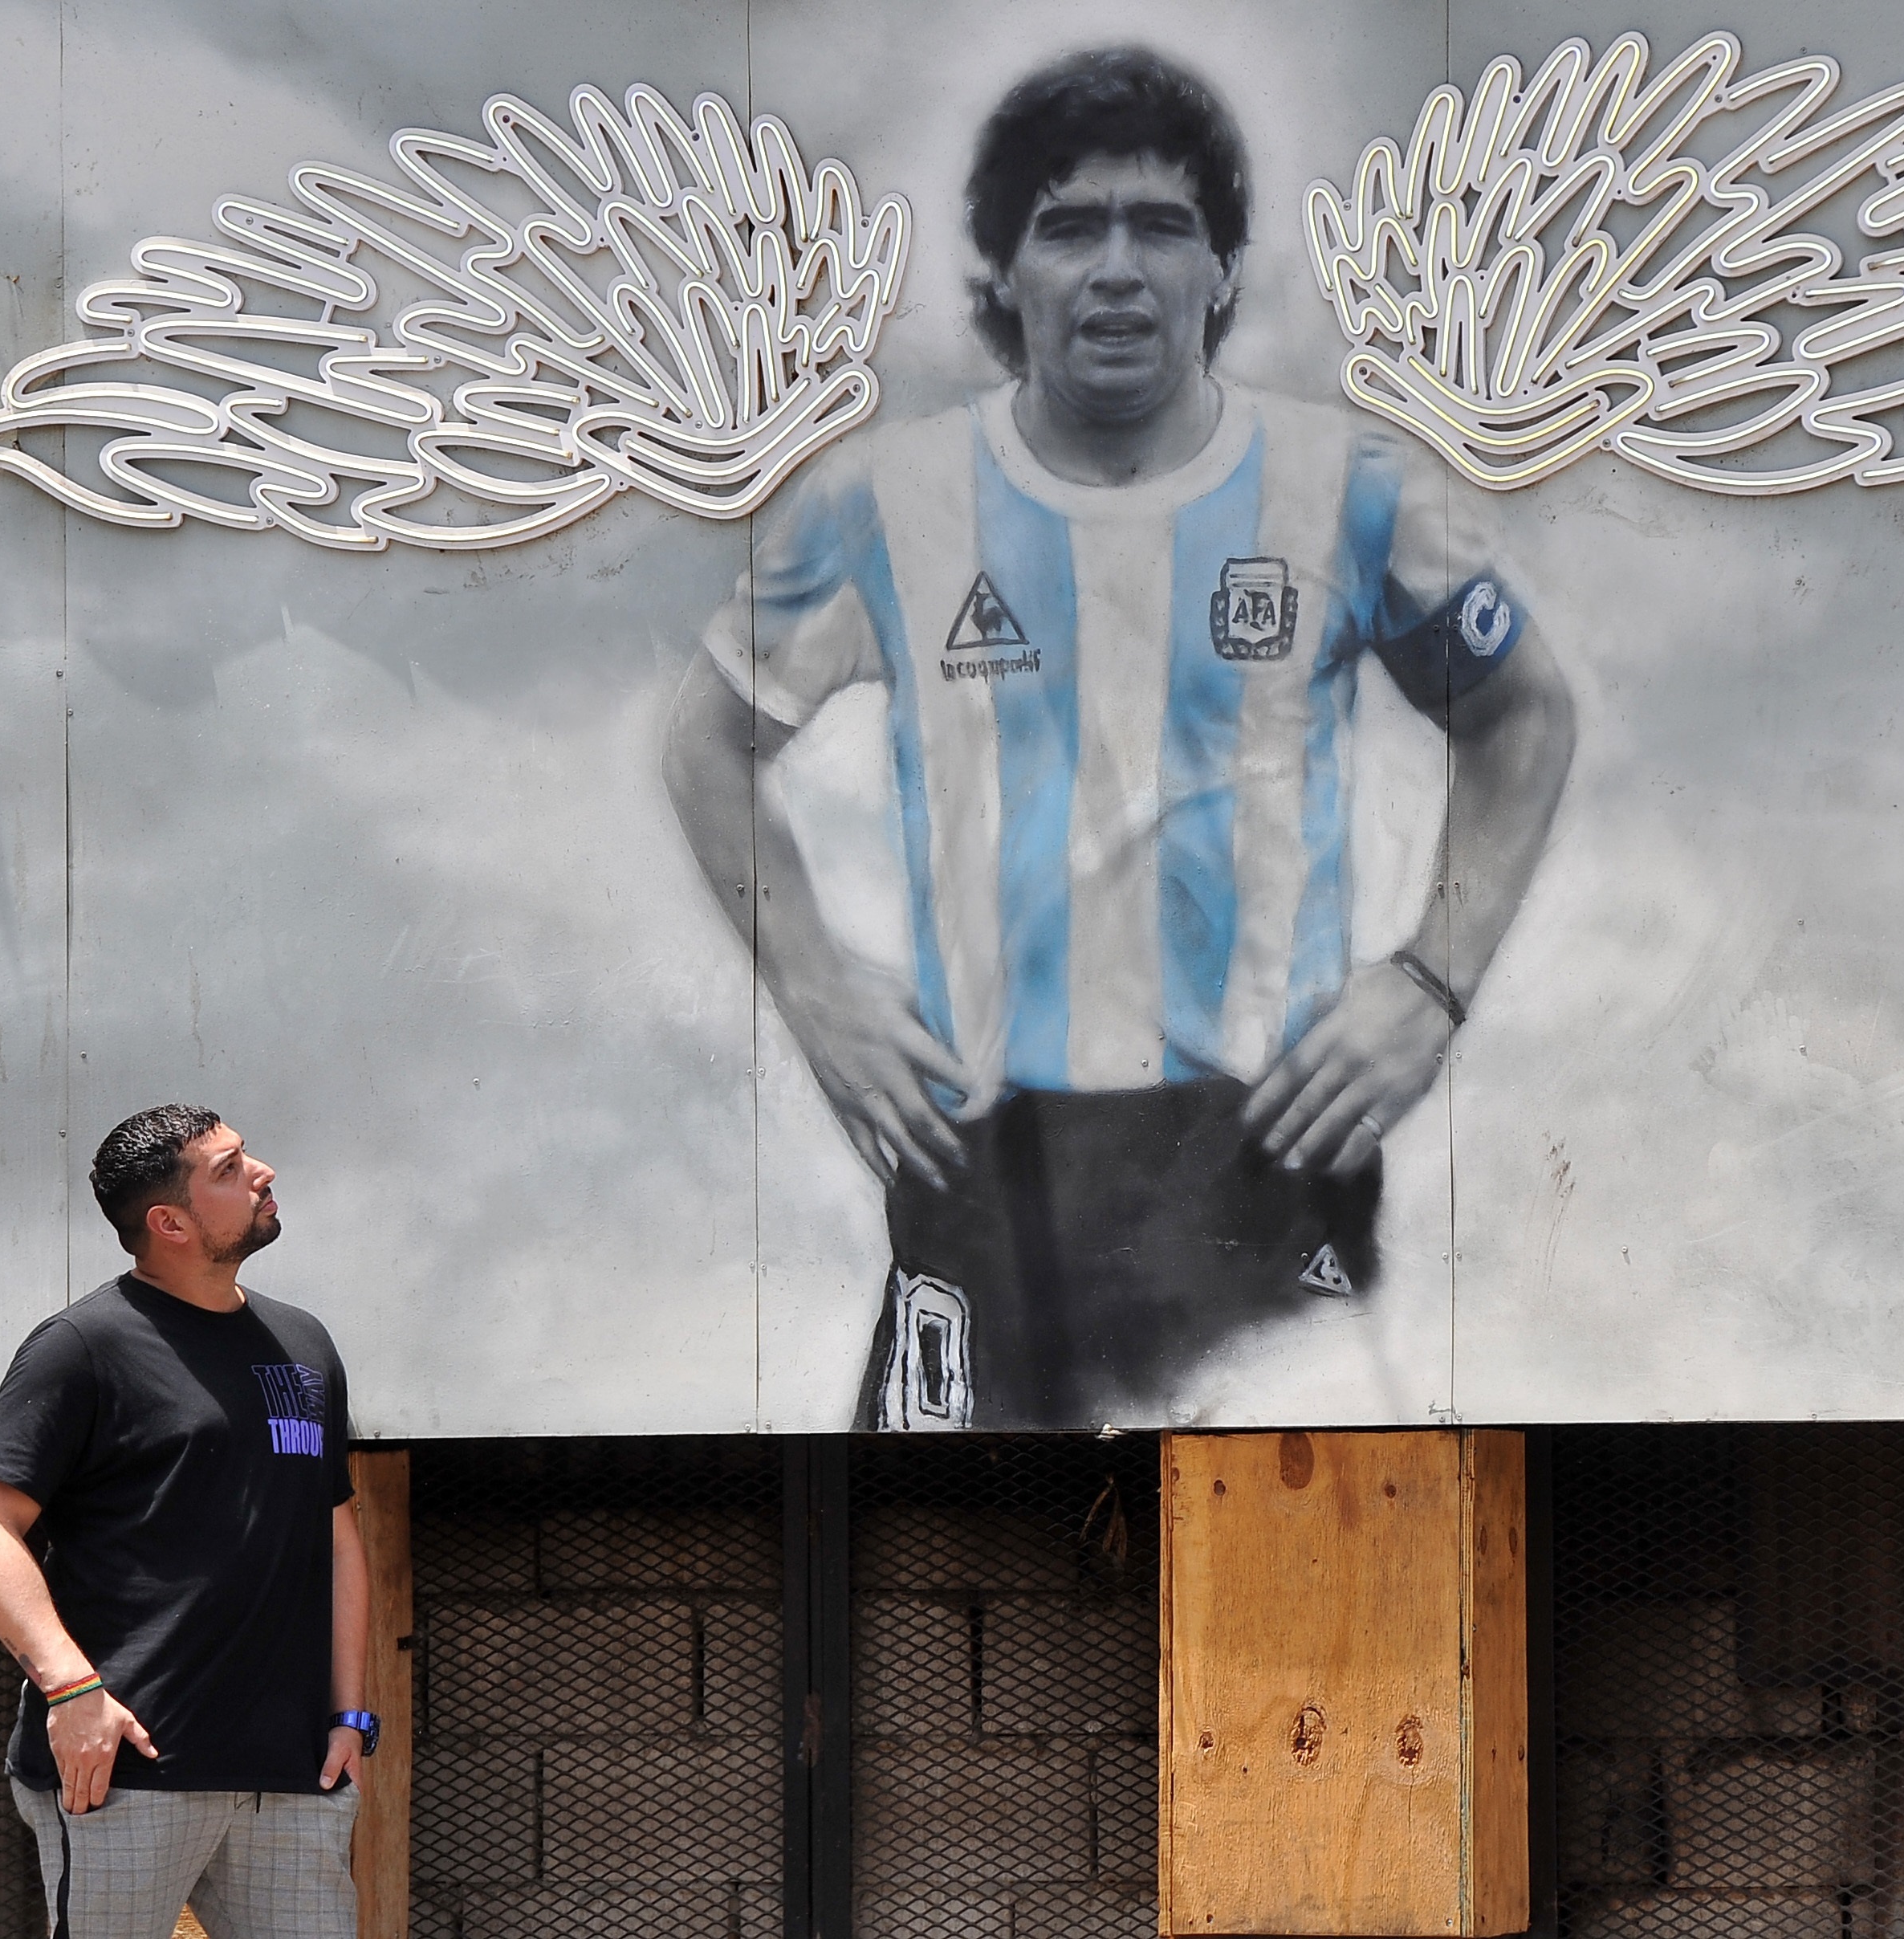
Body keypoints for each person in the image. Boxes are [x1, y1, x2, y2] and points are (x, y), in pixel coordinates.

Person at [663, 46, 1576, 1431]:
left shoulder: (1349, 490)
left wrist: (1433, 980)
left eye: (1161, 226)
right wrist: (816, 990)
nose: (1116, 267)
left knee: (1287, 1595)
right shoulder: (883, 506)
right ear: (1005, 273)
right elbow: (707, 742)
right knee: (955, 1612)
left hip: (1265, 1156)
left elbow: (1522, 715)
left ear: (1219, 270)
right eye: (1069, 225)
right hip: (986, 1171)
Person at [0, 1106, 371, 1939]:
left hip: (291, 1778)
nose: (263, 1172)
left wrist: (349, 1715)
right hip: (127, 1770)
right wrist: (72, 1691)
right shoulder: (84, 1346)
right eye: (228, 1168)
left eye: (244, 1154)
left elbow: (338, 1538)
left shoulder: (302, 1343)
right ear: (168, 1222)